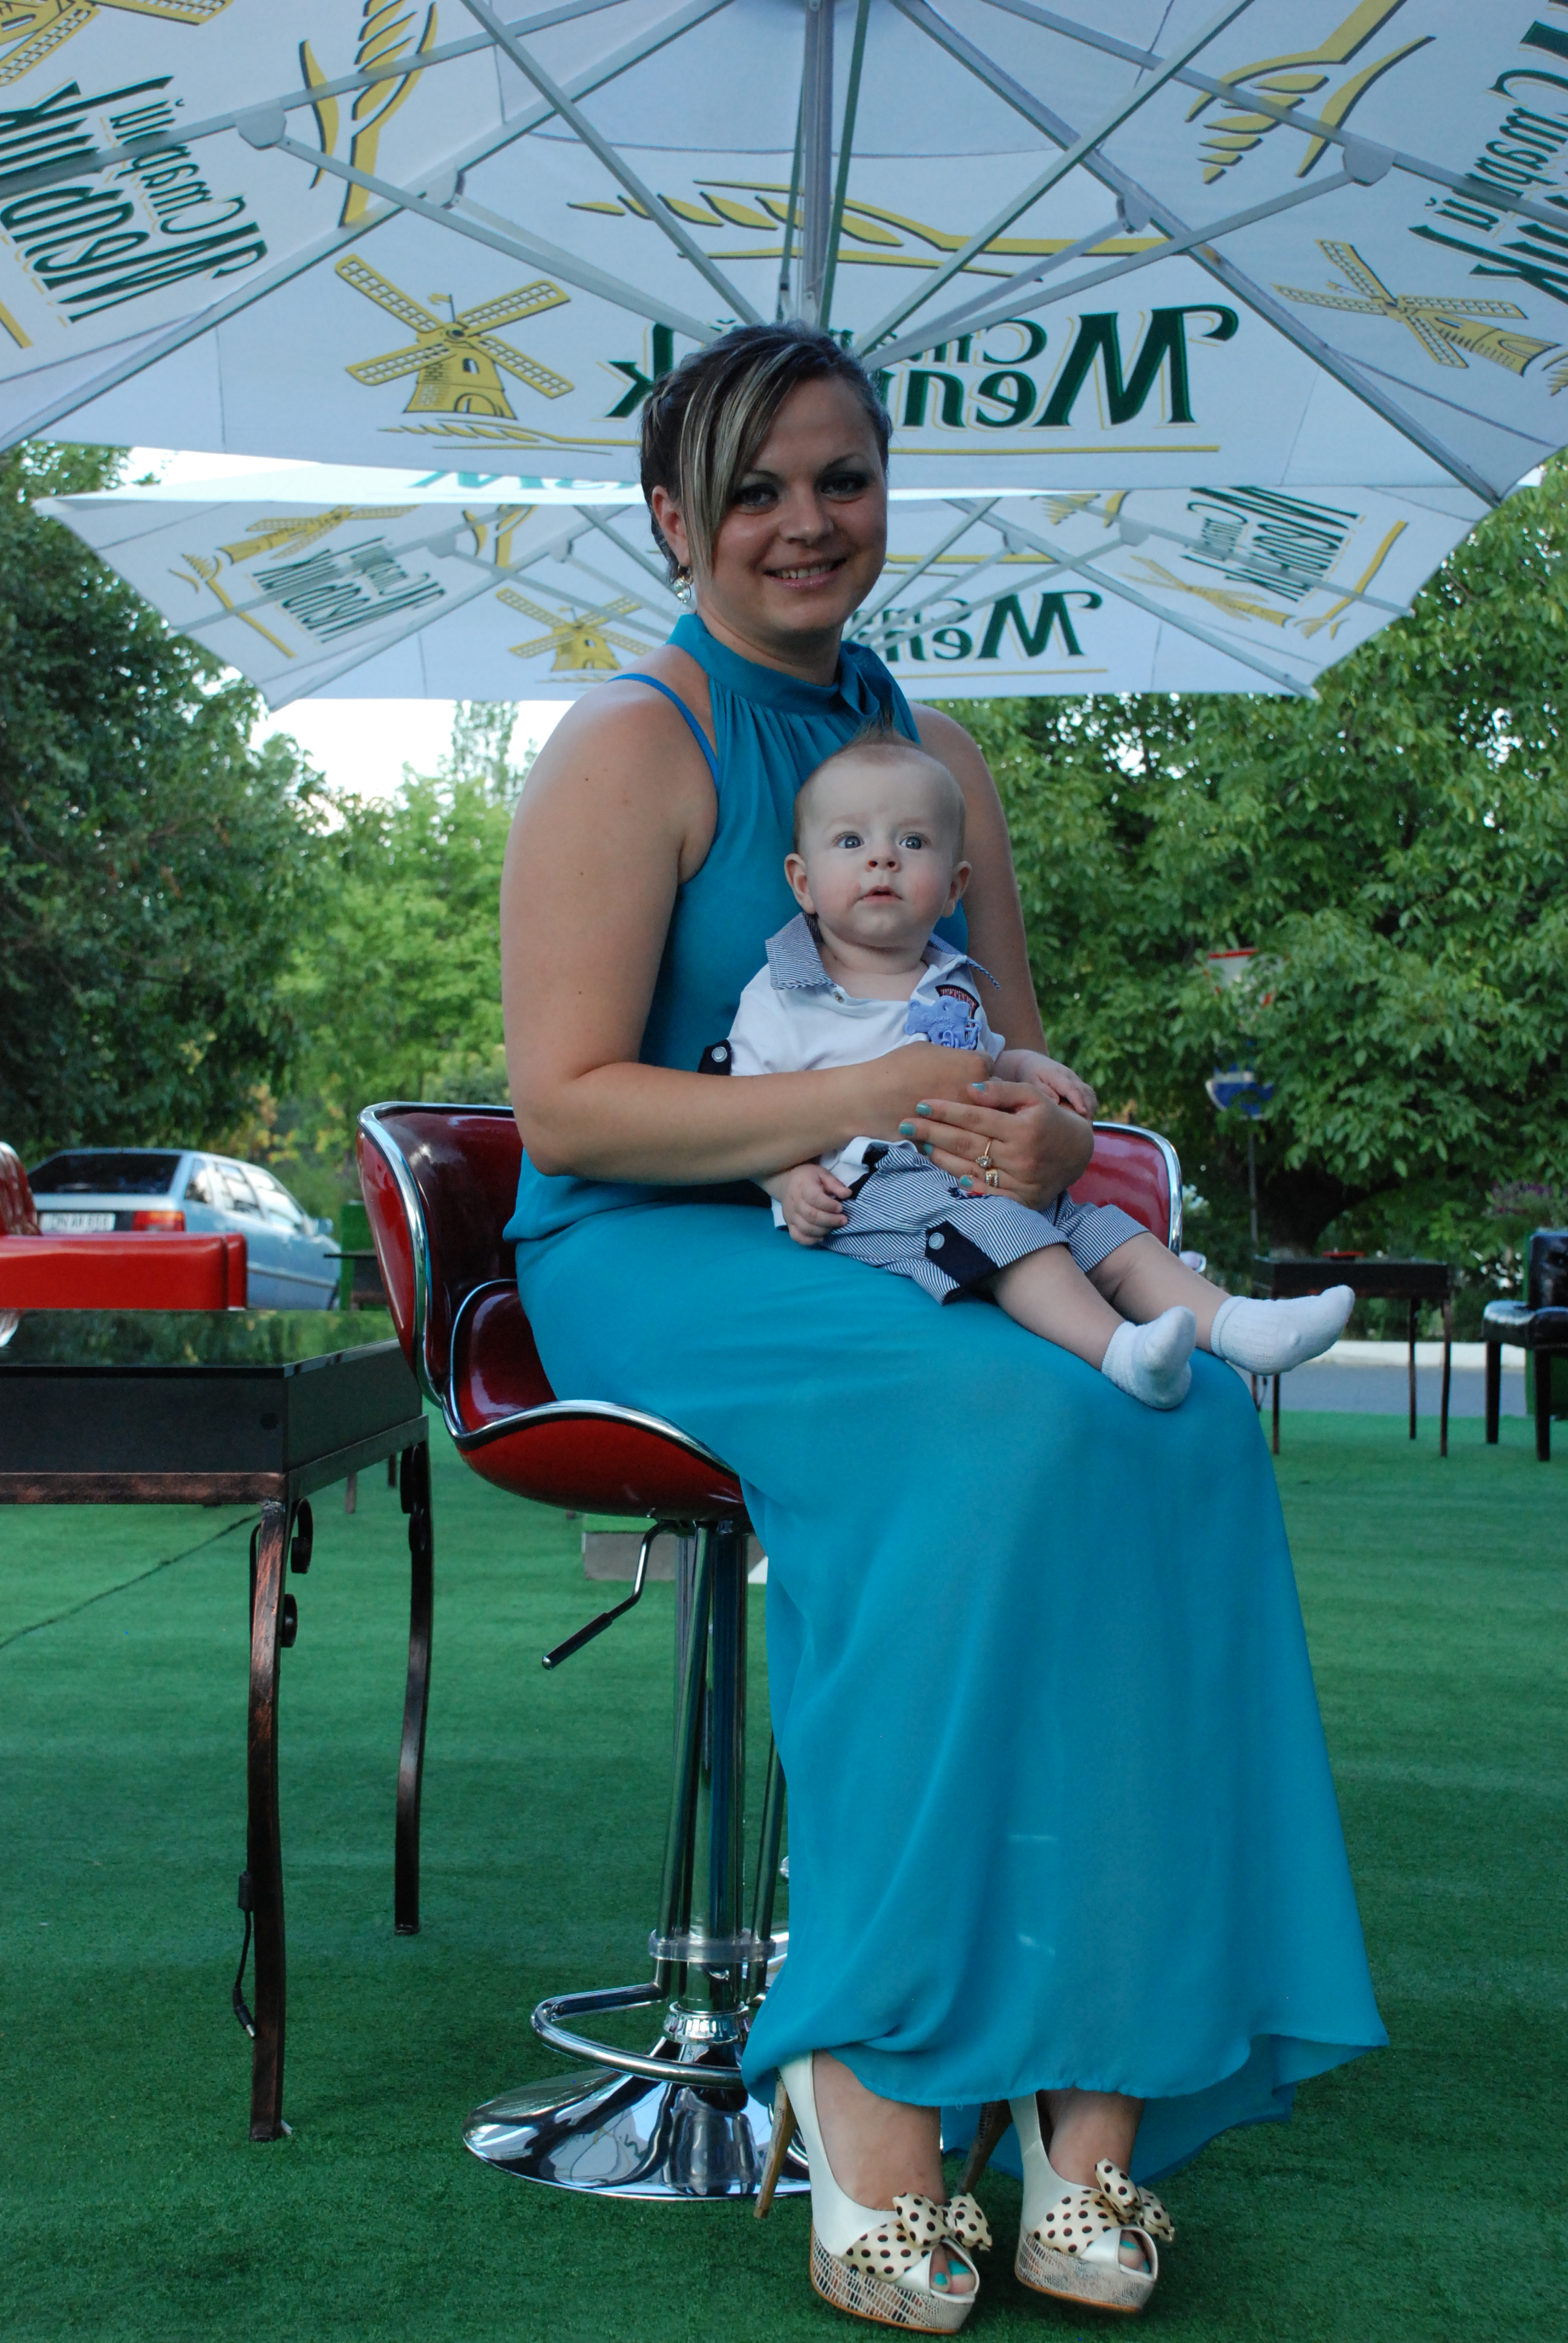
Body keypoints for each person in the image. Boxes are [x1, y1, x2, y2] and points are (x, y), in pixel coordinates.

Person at [501, 321, 1385, 2330]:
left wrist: (1043, 1125)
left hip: (907, 1231)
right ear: (673, 520)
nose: (805, 522)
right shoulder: (630, 748)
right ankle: (873, 2070)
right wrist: (877, 1094)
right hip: (663, 1246)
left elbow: (1020, 1058)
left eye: (843, 478)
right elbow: (566, 1108)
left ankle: (1090, 2096)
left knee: (1173, 1425)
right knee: (1007, 1430)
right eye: (752, 488)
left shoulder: (940, 761)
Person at [723, 729, 1355, 1412]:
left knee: (1110, 1234)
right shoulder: (784, 993)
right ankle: (1123, 1353)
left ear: (954, 887)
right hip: (874, 1194)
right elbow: (745, 1113)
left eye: (912, 841)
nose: (882, 857)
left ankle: (1241, 1325)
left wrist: (1032, 1066)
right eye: (851, 841)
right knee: (1016, 1236)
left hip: (983, 1175)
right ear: (803, 882)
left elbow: (988, 1058)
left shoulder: (952, 980)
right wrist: (787, 1181)